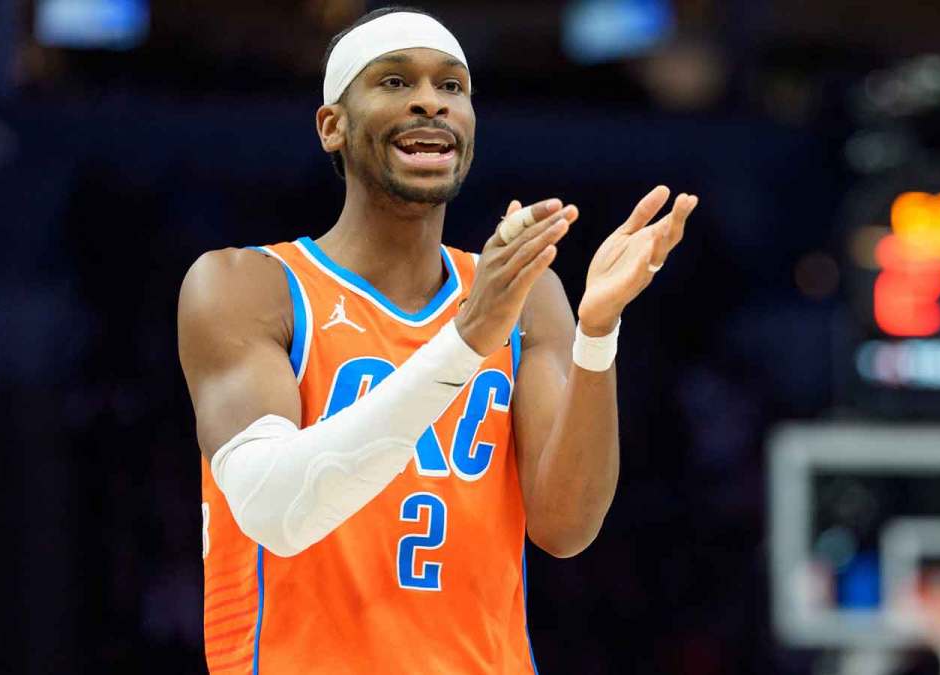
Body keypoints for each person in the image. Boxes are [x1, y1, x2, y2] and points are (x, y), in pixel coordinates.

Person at [178, 6, 697, 673]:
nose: (430, 100)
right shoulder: (247, 285)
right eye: (394, 82)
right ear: (332, 125)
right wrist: (465, 339)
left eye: (452, 87)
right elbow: (275, 510)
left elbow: (565, 528)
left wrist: (597, 334)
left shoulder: (526, 294)